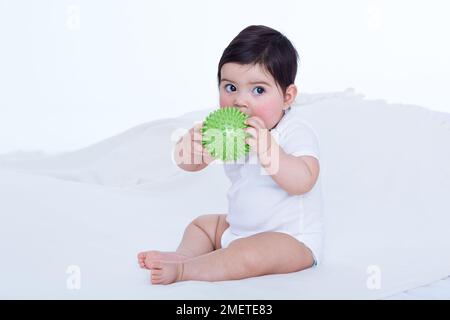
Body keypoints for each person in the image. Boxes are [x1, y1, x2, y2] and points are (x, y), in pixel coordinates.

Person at [138, 25, 323, 285]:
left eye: (258, 90)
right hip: (238, 230)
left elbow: (304, 181)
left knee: (249, 253)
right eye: (230, 88)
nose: (240, 101)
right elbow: (189, 163)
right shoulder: (228, 130)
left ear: (287, 97)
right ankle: (183, 256)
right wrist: (192, 146)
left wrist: (267, 149)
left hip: (291, 240)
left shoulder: (295, 131)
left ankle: (187, 271)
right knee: (202, 226)